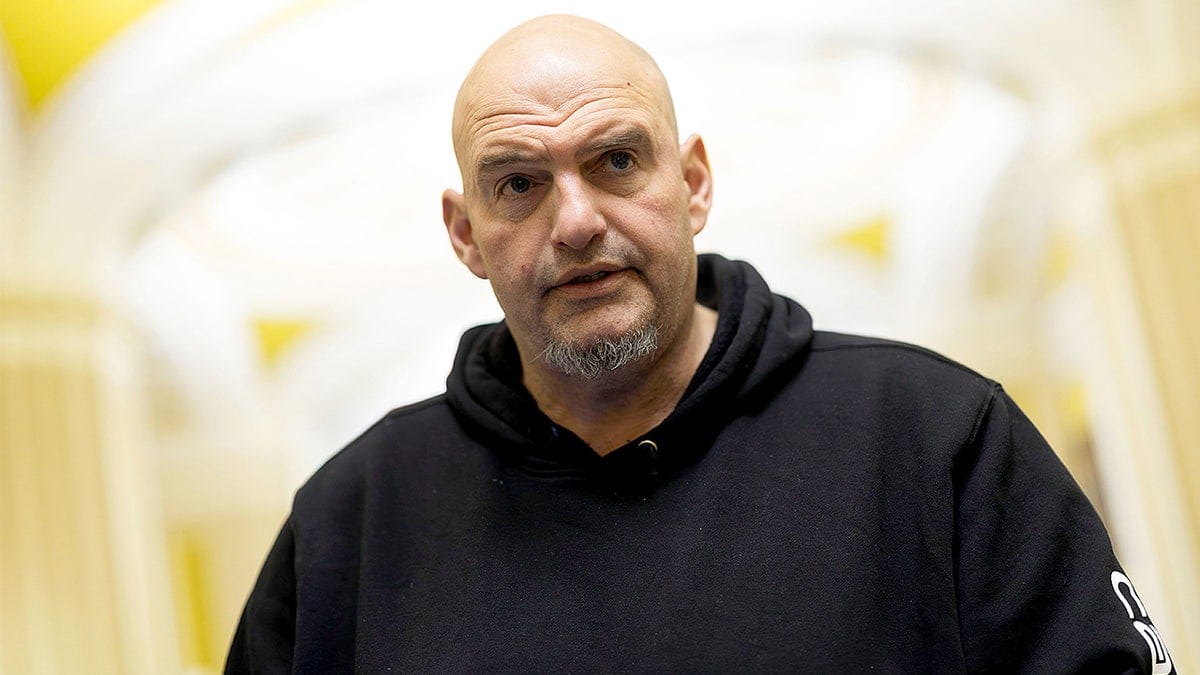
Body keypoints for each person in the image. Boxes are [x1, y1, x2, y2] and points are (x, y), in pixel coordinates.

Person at [227, 15, 1174, 673]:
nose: (577, 221)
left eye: (617, 160)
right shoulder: (347, 524)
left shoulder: (935, 438)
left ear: (694, 184)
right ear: (465, 232)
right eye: (518, 183)